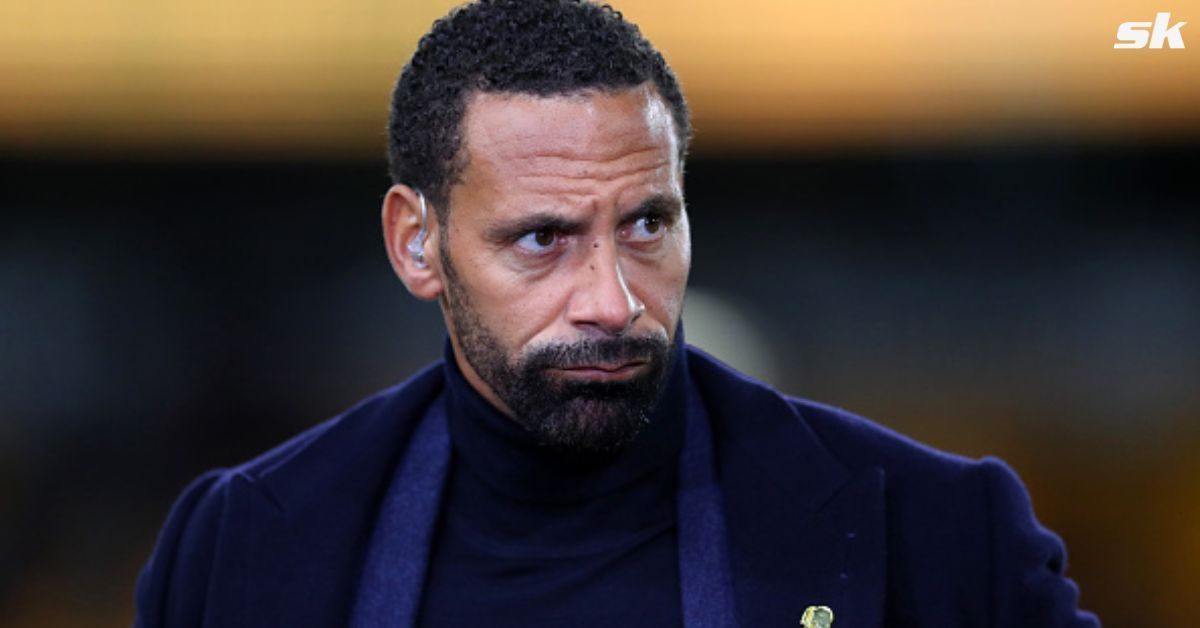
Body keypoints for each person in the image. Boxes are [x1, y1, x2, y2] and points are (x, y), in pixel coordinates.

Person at [135, 1, 1099, 626]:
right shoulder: (242, 551)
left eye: (646, 224)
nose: (613, 300)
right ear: (416, 245)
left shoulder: (941, 535)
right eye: (543, 238)